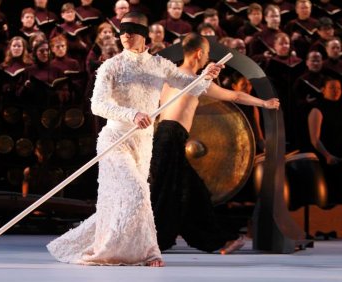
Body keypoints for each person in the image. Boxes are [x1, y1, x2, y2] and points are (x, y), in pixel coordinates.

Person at [47, 11, 221, 267]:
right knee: (137, 192)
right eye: (123, 30)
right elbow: (97, 105)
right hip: (115, 140)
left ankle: (144, 251)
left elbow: (190, 86)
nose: (126, 35)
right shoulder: (111, 66)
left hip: (143, 142)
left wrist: (207, 75)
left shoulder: (159, 65)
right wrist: (132, 114)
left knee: (135, 199)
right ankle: (139, 251)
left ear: (144, 35)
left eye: (132, 30)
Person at [149, 33, 280, 254]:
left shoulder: (171, 75)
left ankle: (167, 240)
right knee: (175, 193)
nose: (208, 57)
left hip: (163, 138)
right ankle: (216, 241)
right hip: (170, 139)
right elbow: (235, 97)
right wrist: (264, 103)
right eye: (207, 53)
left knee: (179, 192)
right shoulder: (194, 81)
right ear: (199, 53)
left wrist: (206, 77)